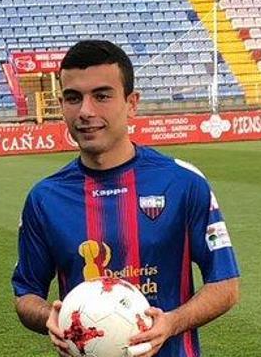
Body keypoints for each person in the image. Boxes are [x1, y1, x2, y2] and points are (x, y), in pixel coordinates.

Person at [12, 40, 240, 357]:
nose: (86, 111)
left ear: (132, 103)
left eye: (102, 96)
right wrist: (50, 317)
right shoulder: (44, 198)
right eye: (73, 98)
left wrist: (172, 323)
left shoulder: (184, 183)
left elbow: (226, 285)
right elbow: (26, 294)